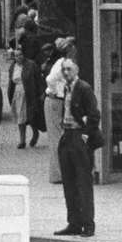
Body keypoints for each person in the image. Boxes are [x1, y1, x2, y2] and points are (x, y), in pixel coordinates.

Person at [55, 59, 101, 237]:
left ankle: (88, 224)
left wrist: (85, 136)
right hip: (67, 136)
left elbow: (94, 115)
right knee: (69, 182)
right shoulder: (66, 88)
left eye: (69, 69)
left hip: (78, 137)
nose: (66, 72)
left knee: (83, 183)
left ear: (76, 70)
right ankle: (73, 223)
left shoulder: (83, 88)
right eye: (63, 69)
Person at [43, 38, 76, 183]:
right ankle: (57, 175)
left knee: (63, 136)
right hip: (55, 99)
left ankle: (63, 172)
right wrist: (59, 92)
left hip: (62, 100)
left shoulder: (69, 64)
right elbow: (50, 79)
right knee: (56, 137)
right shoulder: (62, 63)